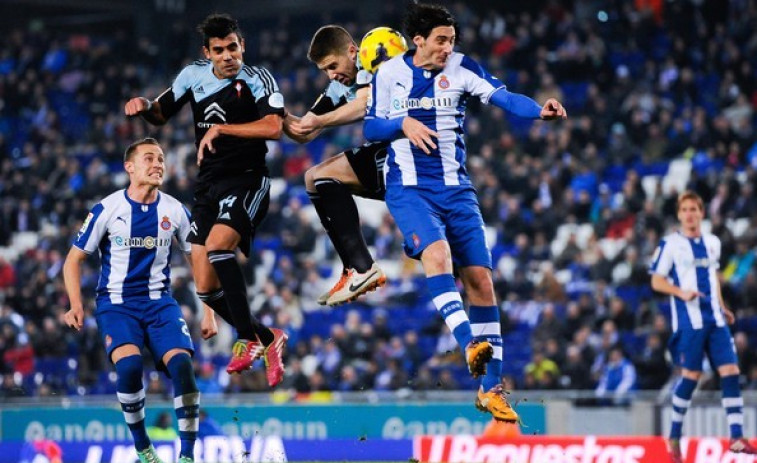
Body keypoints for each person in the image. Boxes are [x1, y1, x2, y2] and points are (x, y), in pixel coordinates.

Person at [363, 2, 566, 422]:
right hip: (410, 188)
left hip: (458, 191)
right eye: (440, 40)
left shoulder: (461, 67)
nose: (447, 47)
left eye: (451, 40)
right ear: (418, 41)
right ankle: (469, 342)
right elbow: (370, 128)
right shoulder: (388, 75)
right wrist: (402, 125)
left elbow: (504, 97)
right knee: (438, 255)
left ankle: (491, 390)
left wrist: (538, 110)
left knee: (482, 283)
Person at [124, 13, 287, 385]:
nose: (229, 56)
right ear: (207, 53)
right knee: (205, 287)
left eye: (233, 48)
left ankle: (246, 339)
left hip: (247, 179)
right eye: (220, 50)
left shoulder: (258, 79)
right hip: (208, 186)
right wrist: (144, 106)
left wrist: (222, 128)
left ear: (242, 45)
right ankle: (268, 337)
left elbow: (274, 127)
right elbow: (160, 114)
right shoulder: (192, 76)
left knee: (218, 248)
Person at [63, 138, 200, 463]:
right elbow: (72, 260)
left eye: (162, 159)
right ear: (130, 167)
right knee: (130, 366)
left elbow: (198, 260)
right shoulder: (108, 209)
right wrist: (75, 304)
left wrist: (208, 310)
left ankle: (188, 457)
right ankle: (143, 448)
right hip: (117, 304)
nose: (158, 165)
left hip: (159, 303)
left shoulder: (176, 210)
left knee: (182, 365)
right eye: (149, 158)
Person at [284, 25, 396, 306]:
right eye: (324, 70)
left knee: (320, 176)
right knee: (312, 178)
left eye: (332, 65)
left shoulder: (370, 65)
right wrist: (275, 113)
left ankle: (362, 267)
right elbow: (303, 132)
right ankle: (353, 269)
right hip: (386, 152)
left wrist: (320, 121)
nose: (331, 74)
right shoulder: (338, 86)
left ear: (352, 51)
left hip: (401, 151)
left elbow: (363, 105)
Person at [650, 190, 756, 462]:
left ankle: (736, 436)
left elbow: (712, 278)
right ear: (679, 214)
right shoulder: (671, 244)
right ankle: (674, 435)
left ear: (701, 213)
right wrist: (680, 292)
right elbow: (656, 281)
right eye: (684, 209)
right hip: (690, 322)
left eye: (693, 209)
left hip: (715, 319)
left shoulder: (712, 243)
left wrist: (722, 306)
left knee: (731, 370)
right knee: (691, 376)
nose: (689, 214)